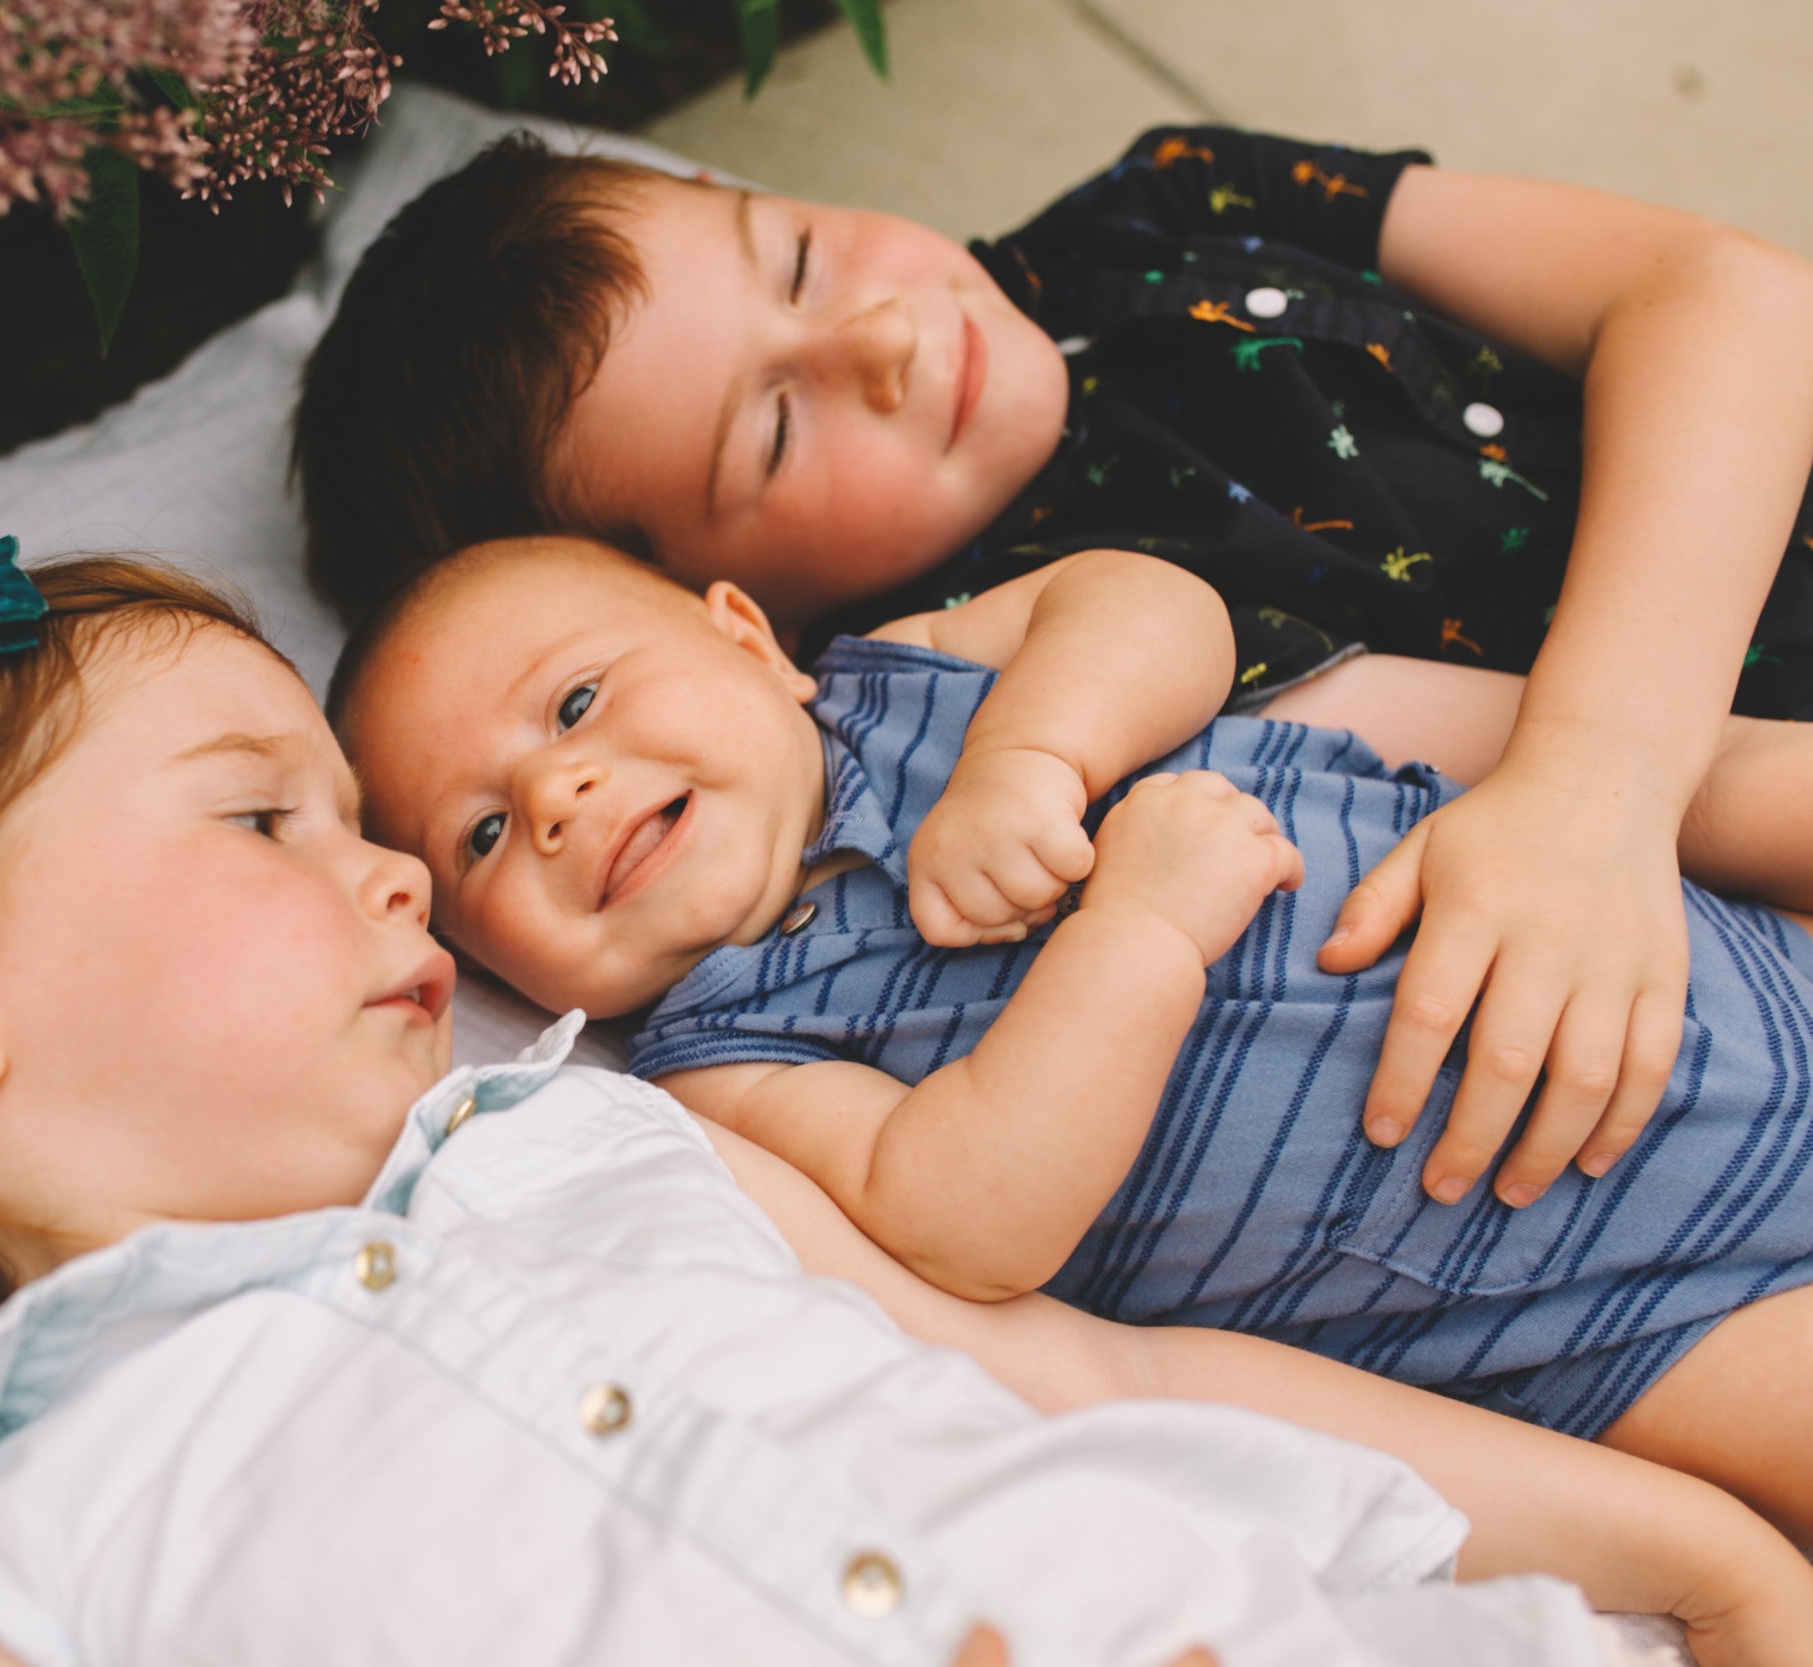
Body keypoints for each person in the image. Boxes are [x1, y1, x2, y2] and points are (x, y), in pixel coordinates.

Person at [0, 549, 1811, 1667]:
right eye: (265, 824)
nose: (398, 861)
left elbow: (1090, 1370)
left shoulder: (614, 1140)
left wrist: (1681, 1558)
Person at [294, 125, 1813, 1236]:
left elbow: (1725, 295)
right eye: (771, 433)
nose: (879, 334)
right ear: (732, 619)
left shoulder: (1155, 205)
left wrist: (1600, 773)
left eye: (800, 256)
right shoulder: (1031, 714)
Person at [331, 532, 1813, 1547]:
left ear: (746, 638)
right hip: (1620, 1299)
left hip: (1696, 946)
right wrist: (1137, 937)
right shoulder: (724, 1063)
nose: (559, 796)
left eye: (577, 700)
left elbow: (1156, 605)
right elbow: (969, 1220)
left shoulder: (913, 678)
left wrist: (1036, 754)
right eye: (483, 832)